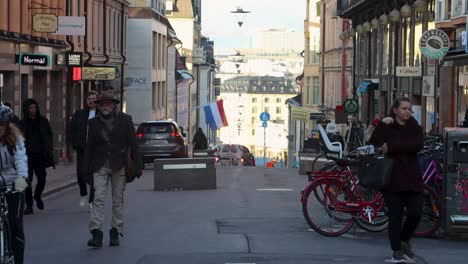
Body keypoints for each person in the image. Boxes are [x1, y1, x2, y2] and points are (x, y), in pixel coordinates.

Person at [369, 97, 424, 263]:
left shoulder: (415, 126)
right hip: (392, 178)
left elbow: (416, 145)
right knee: (395, 216)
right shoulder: (388, 125)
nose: (407, 112)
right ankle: (397, 251)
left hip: (412, 177)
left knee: (416, 213)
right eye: (404, 108)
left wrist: (391, 147)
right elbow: (375, 142)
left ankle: (404, 240)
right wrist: (381, 124)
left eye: (409, 109)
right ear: (395, 110)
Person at [84, 90, 141, 248]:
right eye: (103, 104)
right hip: (99, 165)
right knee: (98, 199)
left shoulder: (125, 120)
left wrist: (138, 165)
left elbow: (134, 144)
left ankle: (115, 231)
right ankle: (96, 233)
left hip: (119, 164)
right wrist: (85, 170)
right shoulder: (93, 123)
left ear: (115, 105)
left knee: (117, 200)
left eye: (109, 103)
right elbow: (89, 147)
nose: (105, 106)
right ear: (99, 106)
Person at [0, 104, 29, 264]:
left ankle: (18, 260)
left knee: (15, 222)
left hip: (13, 182)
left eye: (1, 125)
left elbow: (21, 160)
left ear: (7, 125)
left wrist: (22, 179)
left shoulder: (16, 139)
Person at [20, 99, 54, 215]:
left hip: (40, 155)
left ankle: (38, 196)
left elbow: (49, 136)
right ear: (26, 109)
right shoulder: (22, 123)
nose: (33, 110)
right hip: (26, 157)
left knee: (42, 179)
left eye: (34, 107)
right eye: (30, 108)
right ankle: (29, 206)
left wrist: (49, 150)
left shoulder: (43, 121)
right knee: (27, 182)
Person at [69, 91, 99, 208]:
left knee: (94, 176)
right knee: (81, 175)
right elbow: (71, 130)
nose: (91, 101)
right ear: (86, 100)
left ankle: (92, 200)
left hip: (96, 150)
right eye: (89, 99)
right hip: (82, 149)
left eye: (94, 99)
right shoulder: (79, 114)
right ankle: (83, 193)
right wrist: (75, 144)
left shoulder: (100, 114)